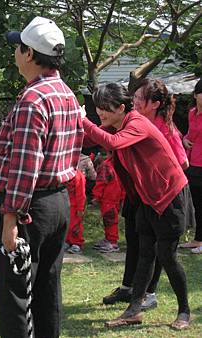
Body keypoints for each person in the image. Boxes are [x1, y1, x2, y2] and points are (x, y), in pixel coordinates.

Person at [0, 16, 83, 338]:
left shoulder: (32, 100)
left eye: (18, 48)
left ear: (30, 54)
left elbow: (25, 169)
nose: (15, 54)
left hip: (28, 209)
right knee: (47, 288)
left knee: (15, 294)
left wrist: (9, 222)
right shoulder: (67, 95)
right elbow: (51, 153)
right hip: (58, 202)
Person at [82, 83, 193, 330]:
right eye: (98, 109)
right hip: (147, 198)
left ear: (121, 108)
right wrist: (72, 122)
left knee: (167, 256)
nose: (101, 113)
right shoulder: (117, 123)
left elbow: (113, 143)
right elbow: (90, 138)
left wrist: (84, 121)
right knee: (145, 254)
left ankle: (184, 311)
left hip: (170, 196)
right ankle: (134, 310)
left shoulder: (137, 123)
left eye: (105, 109)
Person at [181, 79, 202, 253]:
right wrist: (185, 139)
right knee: (196, 203)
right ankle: (197, 239)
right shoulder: (192, 113)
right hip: (193, 162)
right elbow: (190, 134)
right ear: (195, 95)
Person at [92, 151, 125, 253]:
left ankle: (112, 242)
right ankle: (108, 239)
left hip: (109, 198)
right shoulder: (121, 164)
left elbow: (101, 182)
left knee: (110, 220)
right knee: (110, 219)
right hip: (115, 197)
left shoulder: (106, 166)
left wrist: (96, 197)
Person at [64, 169, 86, 254]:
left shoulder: (78, 175)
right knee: (67, 225)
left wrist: (80, 208)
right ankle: (68, 241)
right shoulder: (66, 173)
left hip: (75, 206)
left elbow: (81, 194)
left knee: (75, 226)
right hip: (67, 204)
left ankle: (77, 243)